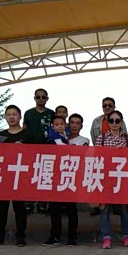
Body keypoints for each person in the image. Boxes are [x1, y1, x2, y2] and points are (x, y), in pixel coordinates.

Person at [0, 105, 28, 247]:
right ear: (5, 117)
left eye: (14, 114)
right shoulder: (0, 135)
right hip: (3, 175)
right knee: (1, 207)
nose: (11, 117)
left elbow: (32, 155)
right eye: (8, 114)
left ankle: (21, 236)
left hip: (20, 175)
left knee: (20, 207)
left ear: (20, 116)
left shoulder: (27, 135)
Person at [97, 110, 128, 249]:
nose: (114, 123)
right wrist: (113, 151)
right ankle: (106, 237)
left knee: (124, 208)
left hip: (122, 177)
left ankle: (126, 236)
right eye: (111, 120)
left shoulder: (126, 138)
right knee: (105, 208)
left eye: (117, 120)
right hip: (105, 177)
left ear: (121, 122)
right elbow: (97, 156)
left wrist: (122, 152)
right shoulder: (102, 137)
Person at [43, 115, 78, 246]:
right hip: (55, 175)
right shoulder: (53, 136)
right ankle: (55, 236)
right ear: (52, 126)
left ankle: (72, 237)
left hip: (69, 175)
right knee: (55, 208)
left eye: (61, 124)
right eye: (56, 124)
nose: (59, 126)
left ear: (65, 125)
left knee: (71, 208)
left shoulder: (66, 135)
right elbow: (61, 148)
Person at [89, 97, 127, 215]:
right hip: (102, 158)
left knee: (116, 183)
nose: (107, 107)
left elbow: (124, 137)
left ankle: (115, 205)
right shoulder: (96, 121)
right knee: (100, 182)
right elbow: (94, 137)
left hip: (117, 160)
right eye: (104, 105)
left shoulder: (120, 120)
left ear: (114, 107)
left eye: (109, 105)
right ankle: (98, 206)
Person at [23, 88, 54, 214]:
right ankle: (29, 203)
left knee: (44, 176)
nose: (41, 99)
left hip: (47, 149)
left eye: (43, 97)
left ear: (47, 99)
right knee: (30, 176)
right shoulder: (28, 113)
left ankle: (42, 203)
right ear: (34, 98)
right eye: (38, 97)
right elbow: (24, 129)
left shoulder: (51, 113)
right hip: (30, 149)